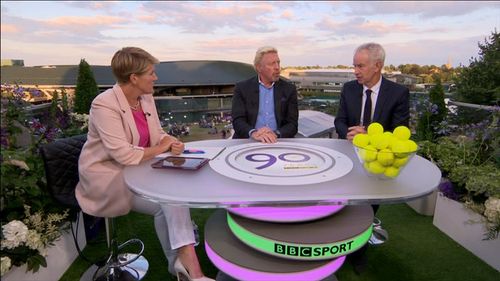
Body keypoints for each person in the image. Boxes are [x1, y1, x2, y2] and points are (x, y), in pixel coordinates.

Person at [75, 47, 213, 281]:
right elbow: (124, 156)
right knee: (169, 197)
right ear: (134, 78)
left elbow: (157, 133)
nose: (156, 78)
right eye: (151, 72)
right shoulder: (104, 105)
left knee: (172, 198)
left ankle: (185, 268)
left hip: (138, 170)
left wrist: (170, 141)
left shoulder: (145, 98)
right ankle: (190, 269)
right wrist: (162, 148)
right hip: (107, 177)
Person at [334, 42, 410, 274]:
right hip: (348, 157)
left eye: (360, 66)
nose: (355, 71)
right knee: (343, 207)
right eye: (354, 65)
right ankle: (336, 248)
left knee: (367, 211)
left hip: (377, 165)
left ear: (377, 66)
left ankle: (358, 253)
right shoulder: (348, 89)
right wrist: (347, 131)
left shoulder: (398, 93)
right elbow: (339, 120)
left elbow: (400, 131)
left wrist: (369, 135)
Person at [231, 46, 298, 143]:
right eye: (272, 64)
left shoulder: (289, 89)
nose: (277, 67)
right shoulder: (242, 88)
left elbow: (292, 125)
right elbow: (238, 120)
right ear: (259, 67)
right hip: (248, 141)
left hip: (277, 141)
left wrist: (275, 134)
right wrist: (254, 133)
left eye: (278, 62)